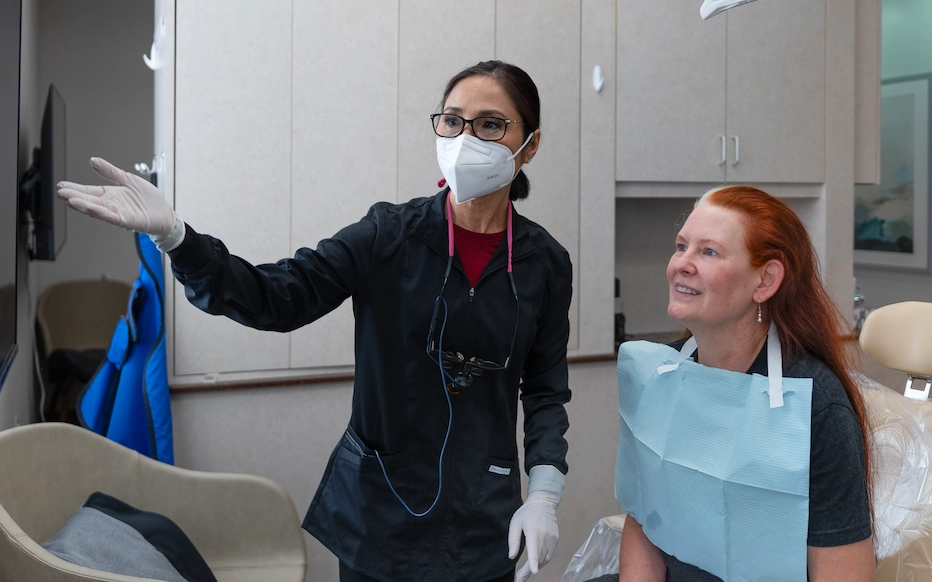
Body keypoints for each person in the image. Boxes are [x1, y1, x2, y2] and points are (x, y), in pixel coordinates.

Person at [57, 60, 573, 582]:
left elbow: (546, 390)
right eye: (452, 120)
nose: (466, 137)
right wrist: (177, 237)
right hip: (381, 513)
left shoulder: (546, 264)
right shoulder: (389, 235)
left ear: (528, 146)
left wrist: (545, 495)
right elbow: (279, 297)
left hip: (484, 519)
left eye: (489, 124)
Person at [610, 185, 875, 582]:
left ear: (765, 281)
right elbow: (644, 521)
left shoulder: (812, 407)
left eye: (709, 251)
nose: (682, 263)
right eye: (681, 246)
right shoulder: (658, 377)